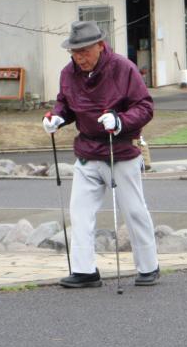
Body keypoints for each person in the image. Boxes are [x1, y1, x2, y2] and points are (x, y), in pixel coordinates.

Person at [42, 21, 160, 288]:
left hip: (120, 151)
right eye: (74, 52)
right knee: (80, 212)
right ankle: (84, 270)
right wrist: (57, 118)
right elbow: (65, 103)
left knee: (133, 210)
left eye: (84, 51)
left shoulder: (123, 68)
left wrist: (120, 120)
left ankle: (148, 266)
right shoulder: (68, 73)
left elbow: (144, 107)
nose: (79, 57)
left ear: (100, 45)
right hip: (87, 152)